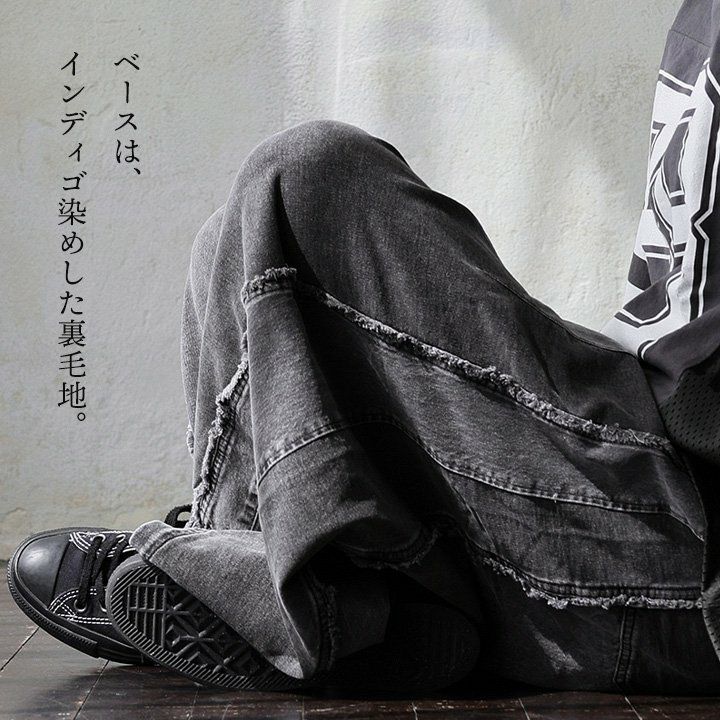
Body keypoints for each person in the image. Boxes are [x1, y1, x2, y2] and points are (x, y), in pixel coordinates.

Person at [7, 0, 720, 695]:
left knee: (308, 179)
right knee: (229, 240)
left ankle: (266, 588)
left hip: (689, 523)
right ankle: (298, 578)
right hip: (641, 423)